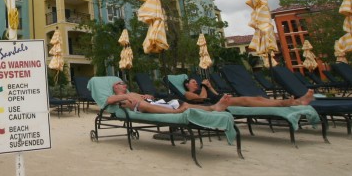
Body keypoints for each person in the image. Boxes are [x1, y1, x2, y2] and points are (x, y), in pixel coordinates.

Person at [107, 81, 231, 113]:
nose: (125, 85)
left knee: (185, 104)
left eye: (124, 84)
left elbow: (149, 97)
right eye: (122, 83)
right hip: (143, 107)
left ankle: (213, 108)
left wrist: (147, 95)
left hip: (154, 103)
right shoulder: (116, 96)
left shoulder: (132, 93)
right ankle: (176, 113)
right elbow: (109, 100)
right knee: (143, 104)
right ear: (116, 87)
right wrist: (127, 96)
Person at [183, 78, 314, 107]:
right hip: (216, 103)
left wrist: (209, 86)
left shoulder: (204, 88)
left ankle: (297, 101)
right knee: (246, 101)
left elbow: (215, 94)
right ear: (187, 85)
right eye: (193, 82)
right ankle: (285, 103)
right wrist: (203, 87)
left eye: (196, 81)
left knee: (258, 98)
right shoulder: (187, 94)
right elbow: (202, 99)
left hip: (220, 98)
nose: (196, 83)